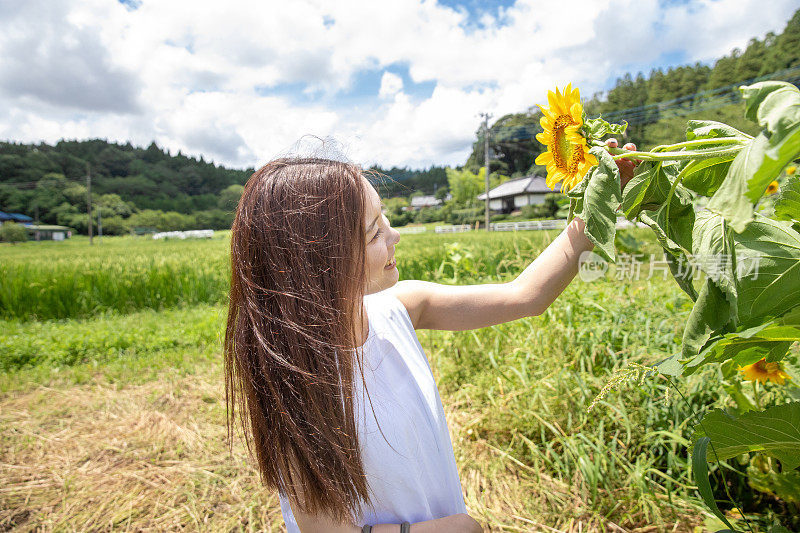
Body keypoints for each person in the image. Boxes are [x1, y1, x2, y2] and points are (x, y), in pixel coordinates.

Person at [223, 142, 636, 533]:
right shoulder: (291, 375)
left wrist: (601, 200)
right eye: (373, 232)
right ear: (318, 260)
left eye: (384, 218)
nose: (394, 235)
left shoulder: (401, 305)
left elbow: (526, 295)